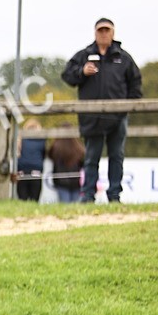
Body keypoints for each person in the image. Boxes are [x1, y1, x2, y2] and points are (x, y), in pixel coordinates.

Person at [61, 18, 142, 203]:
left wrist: (129, 105)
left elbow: (135, 82)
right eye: (100, 31)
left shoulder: (123, 57)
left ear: (113, 33)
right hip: (92, 117)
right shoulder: (84, 55)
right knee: (91, 158)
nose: (104, 34)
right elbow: (67, 75)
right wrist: (82, 72)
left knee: (117, 156)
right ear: (95, 33)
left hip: (118, 117)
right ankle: (88, 195)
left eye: (107, 30)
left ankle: (114, 195)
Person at [47, 127, 86, 203]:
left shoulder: (56, 148)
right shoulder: (78, 149)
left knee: (65, 205)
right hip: (75, 182)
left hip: (61, 182)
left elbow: (50, 156)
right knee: (75, 206)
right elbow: (83, 163)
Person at [15, 118, 46, 202]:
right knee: (35, 200)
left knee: (22, 200)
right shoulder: (42, 140)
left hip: (22, 172)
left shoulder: (21, 139)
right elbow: (43, 155)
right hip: (36, 172)